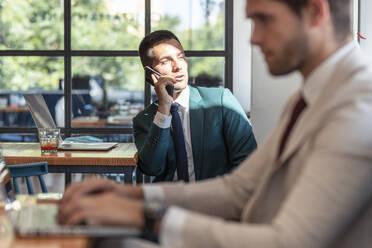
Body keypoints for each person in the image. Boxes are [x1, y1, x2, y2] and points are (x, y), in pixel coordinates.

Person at [58, 0, 372, 247]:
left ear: (315, 12)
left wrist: (145, 216)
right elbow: (239, 188)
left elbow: (288, 242)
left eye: (264, 18)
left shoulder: (357, 108)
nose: (253, 37)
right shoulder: (310, 97)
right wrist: (132, 196)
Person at [133, 30, 257, 182]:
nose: (178, 66)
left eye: (180, 57)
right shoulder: (144, 120)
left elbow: (249, 161)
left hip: (214, 199)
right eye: (165, 61)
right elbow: (152, 168)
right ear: (150, 73)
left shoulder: (221, 101)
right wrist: (164, 110)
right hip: (169, 200)